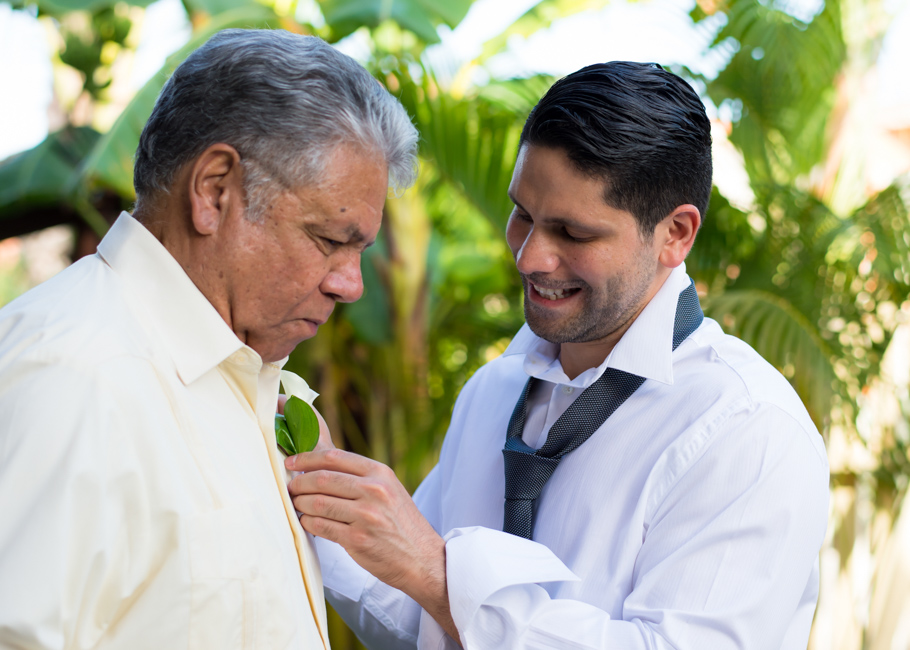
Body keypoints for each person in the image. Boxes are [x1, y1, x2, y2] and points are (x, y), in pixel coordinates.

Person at [285, 61, 830, 649]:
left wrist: (442, 578)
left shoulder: (748, 431)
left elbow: (437, 587)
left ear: (675, 233)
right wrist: (319, 495)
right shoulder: (493, 392)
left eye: (572, 233)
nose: (529, 257)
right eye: (523, 214)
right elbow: (422, 623)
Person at [0, 29, 417, 649]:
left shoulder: (256, 383)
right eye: (329, 241)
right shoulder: (71, 374)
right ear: (215, 190)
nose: (350, 285)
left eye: (361, 250)